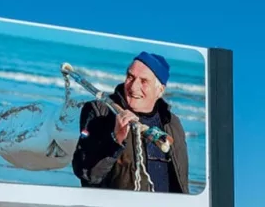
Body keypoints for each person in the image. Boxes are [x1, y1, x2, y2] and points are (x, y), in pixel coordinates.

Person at [71, 52, 189, 193]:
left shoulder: (172, 123)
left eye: (144, 81)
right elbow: (87, 174)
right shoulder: (99, 111)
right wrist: (115, 140)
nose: (133, 87)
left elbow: (181, 182)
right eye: (130, 77)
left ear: (160, 90)